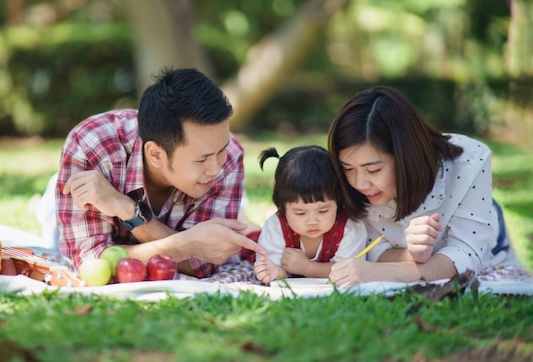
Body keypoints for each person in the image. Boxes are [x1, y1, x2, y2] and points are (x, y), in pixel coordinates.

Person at [56, 67, 265, 278]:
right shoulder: (91, 147)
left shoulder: (229, 155)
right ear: (155, 154)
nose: (217, 169)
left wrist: (128, 210)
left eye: (221, 151)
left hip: (159, 198)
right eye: (201, 159)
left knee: (242, 222)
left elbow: (203, 265)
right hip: (92, 188)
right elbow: (92, 264)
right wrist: (189, 244)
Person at [327, 86, 518, 286]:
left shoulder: (469, 162)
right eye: (348, 168)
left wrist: (380, 272)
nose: (359, 183)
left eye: (373, 170)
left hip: (493, 248)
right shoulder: (349, 186)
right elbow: (374, 249)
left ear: (405, 157)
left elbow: (466, 257)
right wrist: (410, 254)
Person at [253, 146, 367, 284]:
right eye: (300, 213)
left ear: (338, 201)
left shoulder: (350, 228)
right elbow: (273, 269)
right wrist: (276, 272)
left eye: (323, 211)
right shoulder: (276, 228)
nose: (312, 221)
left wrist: (307, 268)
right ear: (282, 207)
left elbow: (350, 271)